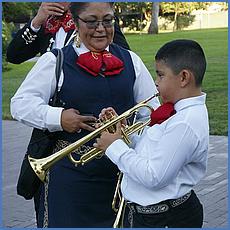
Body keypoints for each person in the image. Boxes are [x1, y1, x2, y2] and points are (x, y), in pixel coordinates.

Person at [10, 2, 160, 227]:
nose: (101, 28)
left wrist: (132, 139)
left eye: (108, 21)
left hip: (120, 175)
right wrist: (58, 117)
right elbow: (20, 104)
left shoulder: (132, 60)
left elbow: (151, 112)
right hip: (69, 177)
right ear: (76, 22)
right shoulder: (55, 61)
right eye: (91, 21)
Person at [94, 39, 209, 228]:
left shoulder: (185, 123)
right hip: (154, 215)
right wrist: (125, 135)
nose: (156, 82)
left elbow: (153, 176)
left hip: (165, 218)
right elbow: (151, 151)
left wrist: (114, 146)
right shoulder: (176, 113)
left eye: (161, 75)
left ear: (183, 78)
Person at [6, 2, 130, 64]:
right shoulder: (46, 24)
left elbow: (125, 58)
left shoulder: (93, 19)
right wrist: (35, 23)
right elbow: (14, 56)